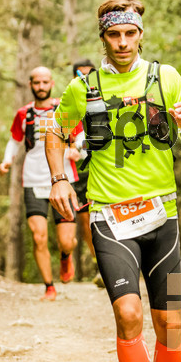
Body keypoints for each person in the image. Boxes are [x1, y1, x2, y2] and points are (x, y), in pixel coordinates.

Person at [45, 0, 181, 362]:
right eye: (113, 34)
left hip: (163, 217)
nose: (122, 42)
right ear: (103, 38)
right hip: (110, 218)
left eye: (129, 33)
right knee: (130, 316)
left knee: (170, 325)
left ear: (140, 34)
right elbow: (54, 133)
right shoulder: (83, 87)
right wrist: (58, 179)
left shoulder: (165, 78)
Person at [0, 66, 79, 301]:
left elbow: (81, 136)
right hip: (33, 180)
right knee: (38, 236)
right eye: (37, 83)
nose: (41, 87)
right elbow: (14, 141)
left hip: (64, 179)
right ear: (30, 85)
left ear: (52, 83)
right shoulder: (23, 114)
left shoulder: (64, 109)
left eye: (45, 82)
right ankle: (49, 286)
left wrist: (77, 150)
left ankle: (66, 256)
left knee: (66, 240)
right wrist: (6, 161)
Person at [69, 59, 105, 288]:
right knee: (85, 222)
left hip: (103, 169)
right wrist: (68, 148)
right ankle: (98, 261)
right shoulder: (67, 104)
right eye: (80, 75)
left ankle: (108, 266)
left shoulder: (105, 99)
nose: (85, 78)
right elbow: (55, 137)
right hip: (80, 173)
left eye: (89, 74)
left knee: (104, 215)